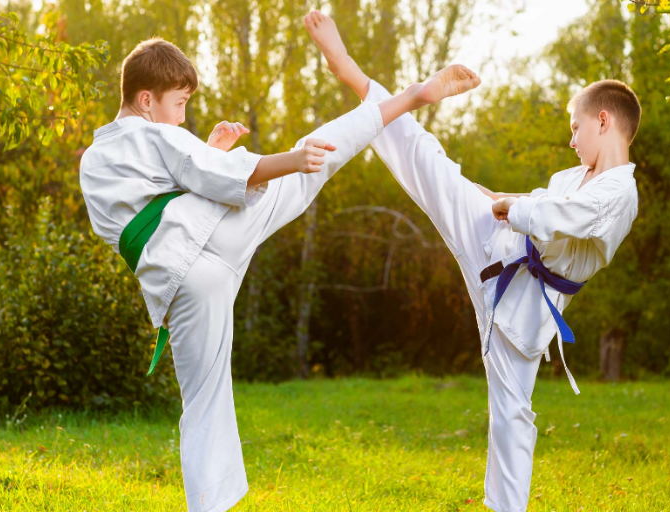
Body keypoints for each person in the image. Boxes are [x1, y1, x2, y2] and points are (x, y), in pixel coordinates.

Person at [78, 33, 480, 512]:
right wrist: (286, 162)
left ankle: (207, 506)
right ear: (146, 100)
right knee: (313, 161)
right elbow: (193, 170)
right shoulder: (155, 132)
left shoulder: (94, 159)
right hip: (214, 235)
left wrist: (211, 154)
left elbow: (154, 201)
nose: (182, 116)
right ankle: (410, 97)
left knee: (203, 404)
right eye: (179, 103)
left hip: (181, 283)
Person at [303, 9, 640, 512]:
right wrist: (485, 195)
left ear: (604, 120)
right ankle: (347, 67)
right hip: (497, 243)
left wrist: (509, 206)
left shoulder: (619, 192)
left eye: (576, 128)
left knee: (512, 415)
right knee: (428, 159)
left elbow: (555, 217)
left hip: (526, 306)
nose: (571, 141)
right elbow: (526, 202)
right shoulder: (576, 176)